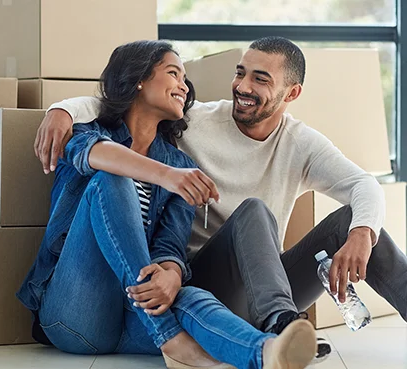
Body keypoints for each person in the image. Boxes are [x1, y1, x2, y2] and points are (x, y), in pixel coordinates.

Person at [35, 36, 407, 363]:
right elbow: (115, 105)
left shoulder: (299, 143)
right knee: (247, 212)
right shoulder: (192, 123)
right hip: (195, 281)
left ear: (291, 93)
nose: (243, 86)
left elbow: (363, 184)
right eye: (240, 72)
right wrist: (63, 109)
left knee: (349, 222)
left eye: (260, 79)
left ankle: (276, 331)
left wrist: (362, 233)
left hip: (255, 286)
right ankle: (273, 326)